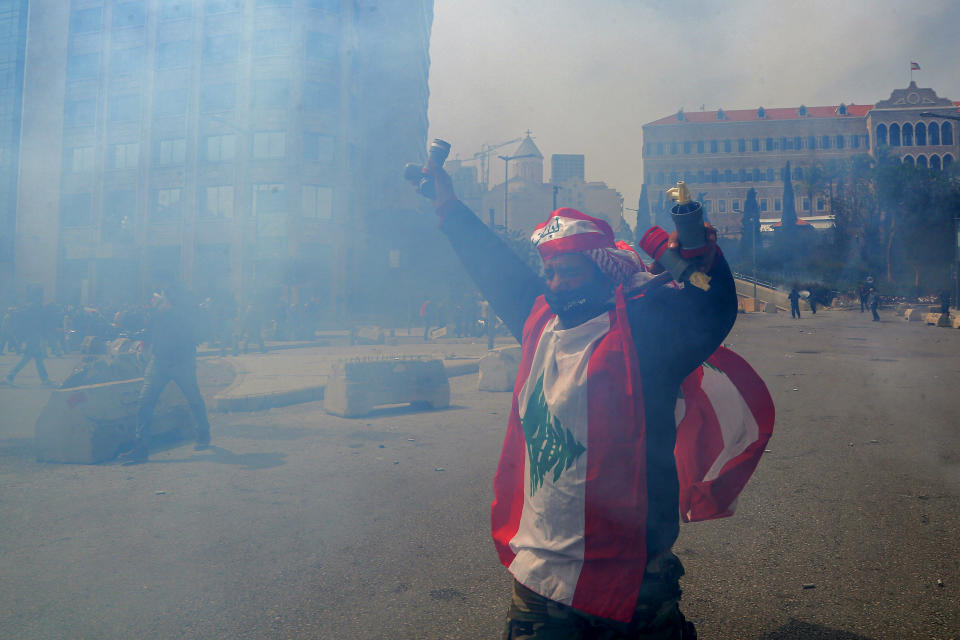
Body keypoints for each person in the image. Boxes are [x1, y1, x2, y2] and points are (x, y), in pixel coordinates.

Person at [415, 165, 738, 639]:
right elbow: (497, 270)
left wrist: (707, 260)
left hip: (632, 573)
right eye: (549, 271)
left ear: (603, 271)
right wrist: (448, 208)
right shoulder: (540, 321)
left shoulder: (646, 331)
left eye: (570, 270)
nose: (556, 282)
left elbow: (713, 308)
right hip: (543, 575)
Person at [124, 286, 211, 464]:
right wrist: (145, 347)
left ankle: (203, 433)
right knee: (145, 402)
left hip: (182, 362)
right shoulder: (156, 315)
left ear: (169, 301)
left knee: (193, 398)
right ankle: (141, 447)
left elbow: (194, 334)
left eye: (160, 300)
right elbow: (149, 334)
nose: (156, 302)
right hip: (159, 362)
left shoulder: (183, 314)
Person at [3, 296, 52, 386]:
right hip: (34, 337)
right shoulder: (35, 309)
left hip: (32, 336)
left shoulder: (29, 308)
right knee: (28, 358)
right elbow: (39, 324)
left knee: (36, 358)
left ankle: (44, 379)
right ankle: (10, 376)